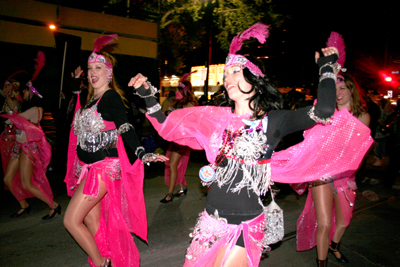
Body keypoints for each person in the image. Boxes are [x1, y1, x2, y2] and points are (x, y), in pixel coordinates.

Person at [129, 24, 372, 267]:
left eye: (236, 72)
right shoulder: (215, 118)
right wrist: (148, 95)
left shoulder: (273, 121)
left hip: (244, 225)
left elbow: (324, 110)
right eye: (226, 74)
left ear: (254, 79)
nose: (228, 79)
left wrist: (327, 68)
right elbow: (167, 126)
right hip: (209, 221)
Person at [63, 34, 167, 267]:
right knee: (93, 221)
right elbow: (73, 122)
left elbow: (125, 127)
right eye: (90, 68)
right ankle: (109, 256)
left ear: (109, 72)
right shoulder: (89, 99)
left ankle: (101, 263)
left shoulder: (110, 97)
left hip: (102, 170)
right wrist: (74, 88)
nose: (92, 72)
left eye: (98, 67)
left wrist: (141, 152)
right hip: (87, 170)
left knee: (71, 220)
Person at [294, 32, 371, 267]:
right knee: (324, 223)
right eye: (334, 88)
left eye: (342, 88)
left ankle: (335, 245)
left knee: (344, 222)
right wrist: (326, 74)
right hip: (322, 173)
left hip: (345, 175)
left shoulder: (363, 116)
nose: (337, 93)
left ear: (351, 90)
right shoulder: (327, 113)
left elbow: (353, 150)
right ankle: (322, 262)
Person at [1, 51, 60, 220]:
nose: (23, 93)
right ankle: (24, 205)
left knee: (27, 182)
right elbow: (14, 112)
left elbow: (12, 120)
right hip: (18, 147)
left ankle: (54, 205)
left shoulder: (35, 110)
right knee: (7, 178)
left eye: (26, 91)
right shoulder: (26, 109)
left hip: (27, 149)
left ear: (32, 92)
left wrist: (8, 116)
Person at [160, 75, 198, 203]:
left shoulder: (190, 104)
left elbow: (190, 123)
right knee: (176, 165)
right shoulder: (177, 103)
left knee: (172, 165)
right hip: (174, 138)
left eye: (178, 90)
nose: (175, 93)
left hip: (182, 140)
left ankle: (169, 194)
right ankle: (182, 187)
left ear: (184, 91)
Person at [373, 98, 395, 166]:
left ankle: (380, 159)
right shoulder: (388, 111)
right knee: (380, 147)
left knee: (381, 147)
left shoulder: (386, 111)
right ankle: (380, 158)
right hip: (382, 132)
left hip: (383, 131)